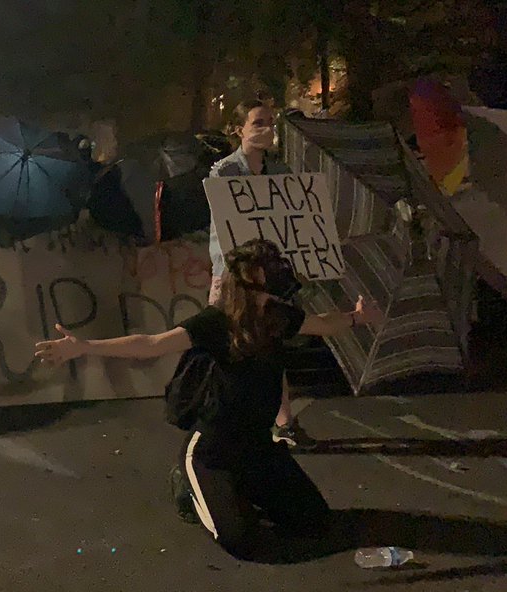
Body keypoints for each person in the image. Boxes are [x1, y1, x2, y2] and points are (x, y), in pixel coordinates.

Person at [34, 239, 384, 560]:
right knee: (240, 541)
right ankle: (189, 486)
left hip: (258, 447)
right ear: (248, 283)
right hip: (213, 451)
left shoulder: (278, 317)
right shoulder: (218, 322)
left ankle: (242, 491)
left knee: (315, 521)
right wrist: (83, 348)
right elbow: (152, 344)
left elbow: (321, 323)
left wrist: (356, 317)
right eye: (267, 272)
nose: (278, 277)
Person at [207, 99, 314, 449]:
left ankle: (283, 421)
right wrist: (223, 277)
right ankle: (222, 418)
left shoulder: (281, 173)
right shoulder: (223, 172)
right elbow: (222, 229)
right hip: (235, 275)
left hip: (271, 277)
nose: (267, 130)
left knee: (272, 343)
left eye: (270, 123)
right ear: (240, 130)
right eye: (258, 123)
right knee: (231, 345)